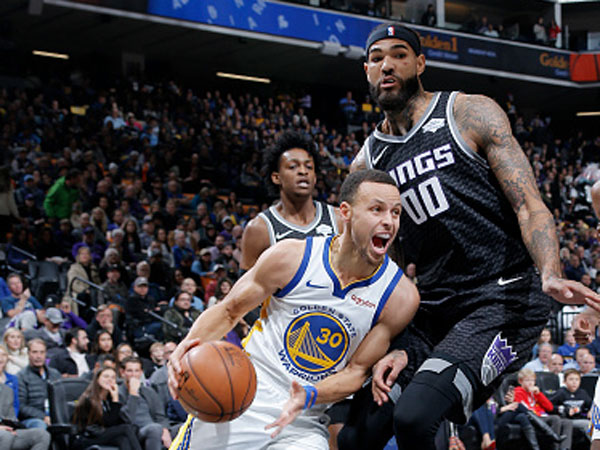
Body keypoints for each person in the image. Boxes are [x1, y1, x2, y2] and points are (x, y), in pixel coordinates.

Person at [339, 22, 600, 450]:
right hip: (434, 308)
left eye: (400, 54)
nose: (387, 64)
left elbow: (528, 203)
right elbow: (387, 265)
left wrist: (550, 273)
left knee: (414, 417)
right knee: (357, 436)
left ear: (420, 63)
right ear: (366, 70)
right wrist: (398, 340)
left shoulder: (467, 113)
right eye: (377, 57)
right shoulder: (367, 165)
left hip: (503, 296)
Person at [167, 170, 420, 449]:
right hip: (241, 394)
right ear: (345, 213)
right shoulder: (291, 257)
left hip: (303, 421)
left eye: (395, 213)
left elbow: (356, 372)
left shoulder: (399, 295)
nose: (388, 221)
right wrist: (186, 348)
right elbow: (229, 311)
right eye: (376, 210)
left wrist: (309, 395)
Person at [240, 130, 340, 273]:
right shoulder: (259, 229)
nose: (303, 171)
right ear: (276, 177)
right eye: (293, 166)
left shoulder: (339, 220)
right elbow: (244, 290)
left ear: (315, 178)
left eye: (309, 167)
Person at [71, 366, 141, 450]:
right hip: (88, 437)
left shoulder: (109, 398)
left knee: (123, 440)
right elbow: (104, 424)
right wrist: (115, 400)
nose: (110, 379)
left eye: (113, 377)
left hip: (103, 434)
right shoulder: (88, 399)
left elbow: (116, 422)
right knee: (126, 428)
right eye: (106, 376)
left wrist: (115, 400)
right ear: (97, 379)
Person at [0, 343, 51, 450]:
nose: (0, 359)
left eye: (3, 355)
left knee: (42, 435)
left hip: (8, 430)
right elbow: (22, 406)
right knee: (5, 436)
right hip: (3, 434)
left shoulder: (7, 388)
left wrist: (11, 426)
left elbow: (11, 415)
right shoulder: (22, 376)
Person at [119, 357, 172, 450]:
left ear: (141, 372)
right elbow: (127, 418)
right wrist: (133, 394)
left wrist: (165, 430)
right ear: (122, 372)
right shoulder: (118, 393)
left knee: (185, 427)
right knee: (154, 429)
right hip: (136, 432)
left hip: (156, 428)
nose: (133, 375)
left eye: (136, 371)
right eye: (130, 371)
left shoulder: (148, 391)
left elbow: (160, 416)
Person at [17, 339, 61, 429]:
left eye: (42, 352)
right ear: (28, 353)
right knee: (40, 425)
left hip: (55, 415)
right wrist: (43, 416)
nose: (38, 356)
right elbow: (21, 406)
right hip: (33, 418)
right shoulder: (21, 376)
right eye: (35, 352)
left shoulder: (55, 374)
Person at [550, 369, 592, 440]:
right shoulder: (561, 393)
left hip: (579, 418)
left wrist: (591, 410)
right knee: (587, 424)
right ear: (564, 381)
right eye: (571, 379)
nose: (574, 382)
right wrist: (565, 410)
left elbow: (592, 404)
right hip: (566, 420)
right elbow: (550, 406)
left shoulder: (582, 393)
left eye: (577, 379)